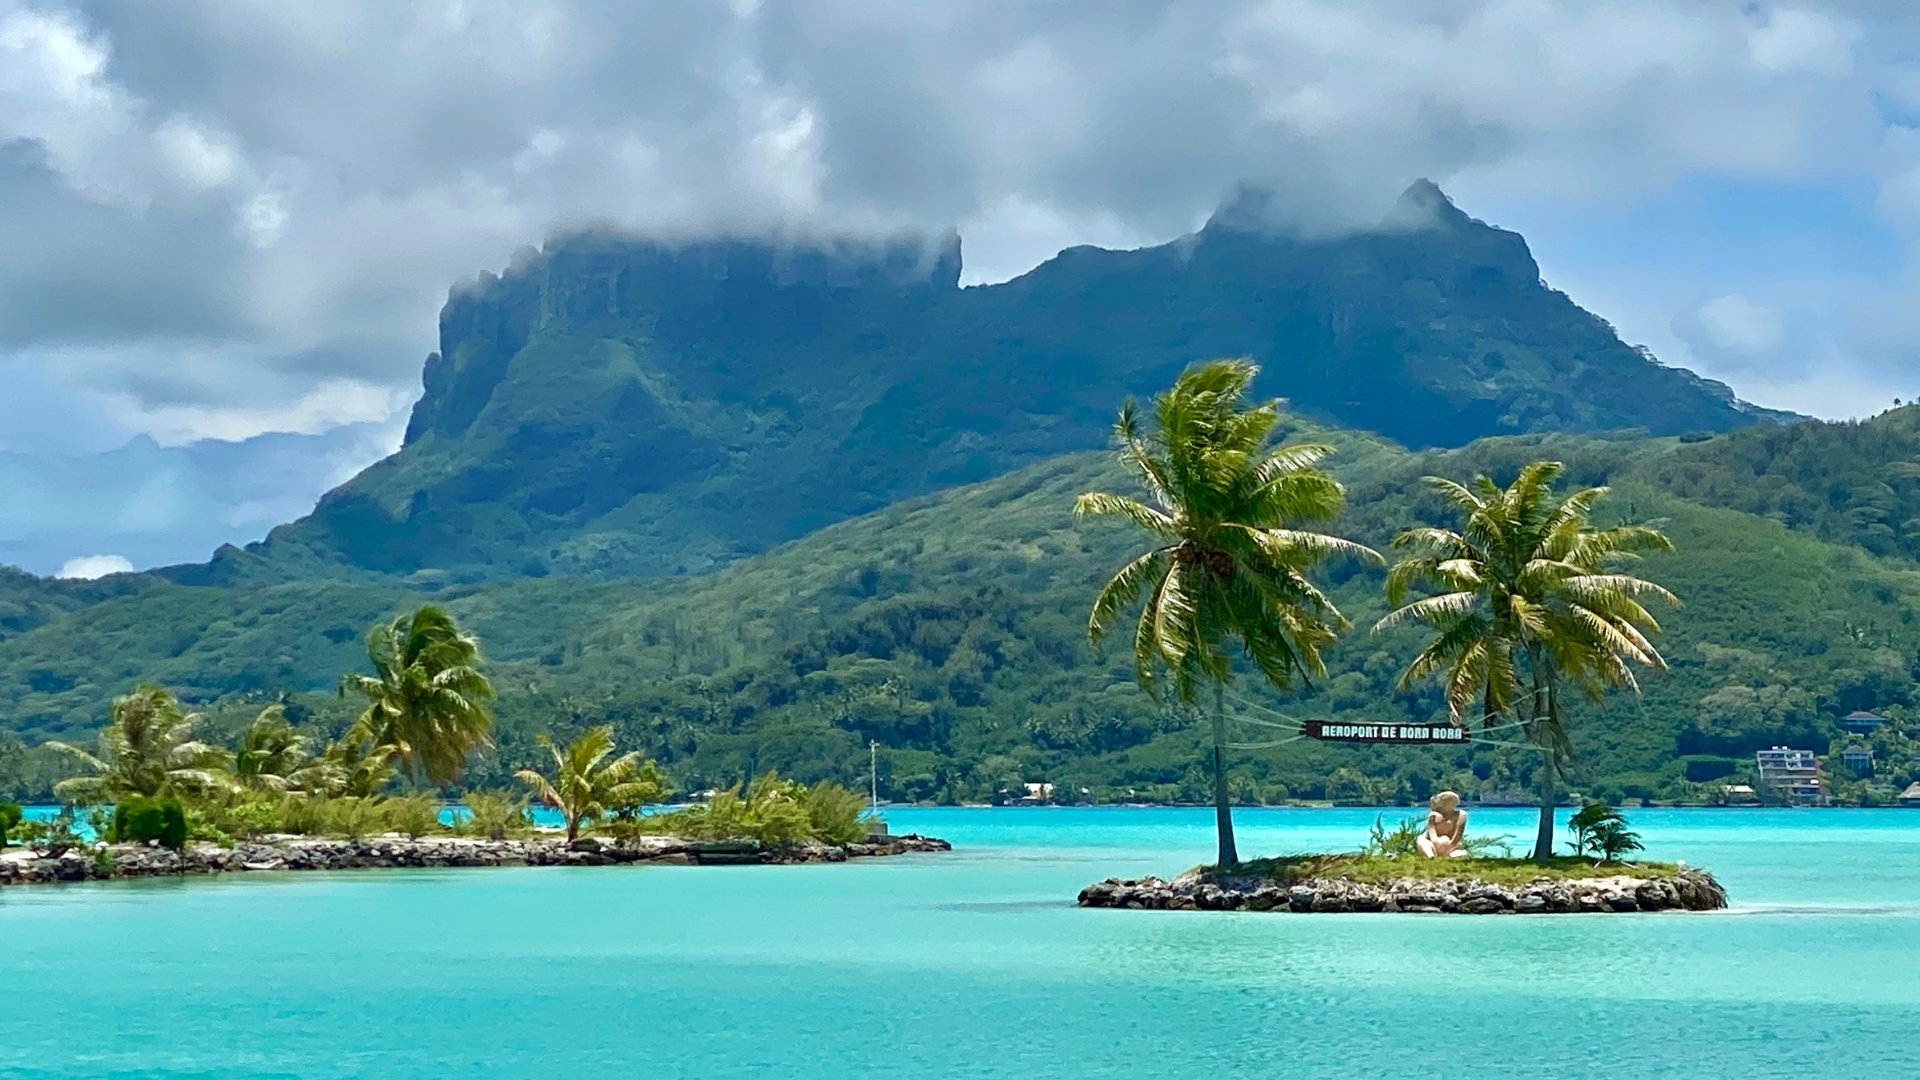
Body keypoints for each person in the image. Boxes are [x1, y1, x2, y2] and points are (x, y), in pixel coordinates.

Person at [1418, 791, 1470, 858]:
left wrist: (1449, 847)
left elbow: (1458, 834)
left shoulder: (1461, 815)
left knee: (1461, 853)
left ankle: (1447, 855)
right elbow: (1432, 831)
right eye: (1445, 801)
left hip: (1451, 846)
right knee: (1421, 840)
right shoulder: (1433, 815)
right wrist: (1436, 843)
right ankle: (1431, 856)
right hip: (1434, 844)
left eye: (1451, 800)